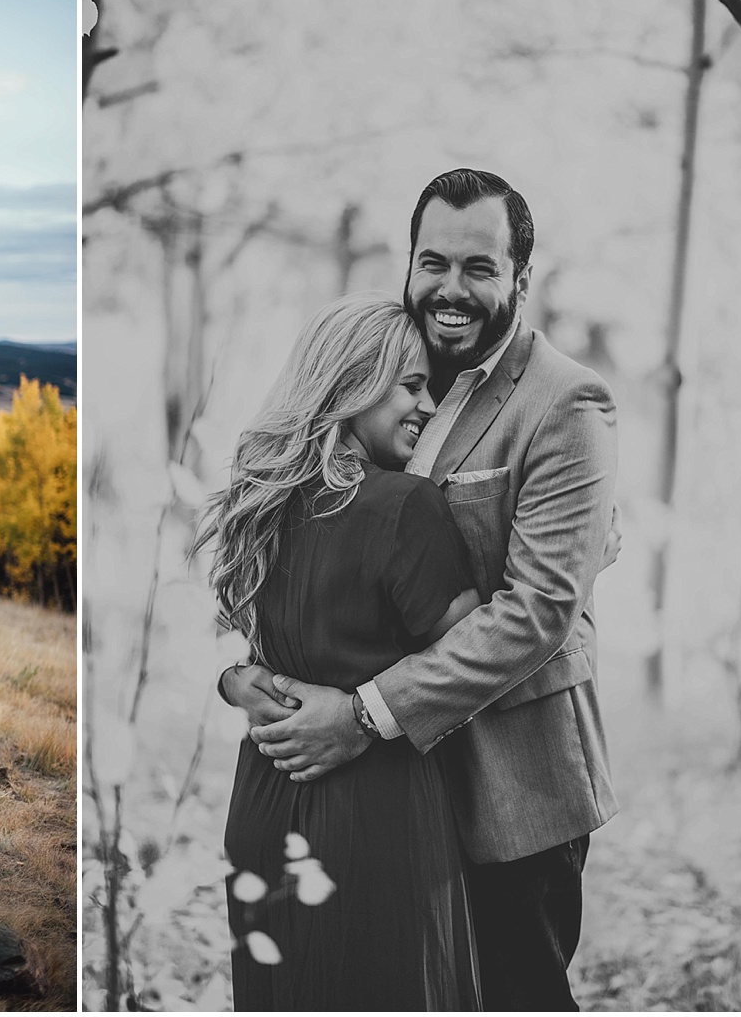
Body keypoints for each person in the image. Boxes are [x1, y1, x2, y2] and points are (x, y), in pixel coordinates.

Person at [227, 168, 619, 1010]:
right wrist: (244, 677)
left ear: (520, 277)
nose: (451, 287)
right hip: (390, 800)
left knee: (520, 996)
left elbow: (538, 609)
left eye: (479, 268)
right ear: (408, 262)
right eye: (433, 261)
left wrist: (363, 711)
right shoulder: (388, 369)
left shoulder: (566, 403)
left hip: (514, 781)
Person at [198, 296, 485, 1009]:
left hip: (262, 805)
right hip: (377, 814)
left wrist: (237, 680)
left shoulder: (264, 501)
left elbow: (254, 656)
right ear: (352, 382)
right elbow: (475, 660)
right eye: (411, 384)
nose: (427, 406)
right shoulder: (407, 506)